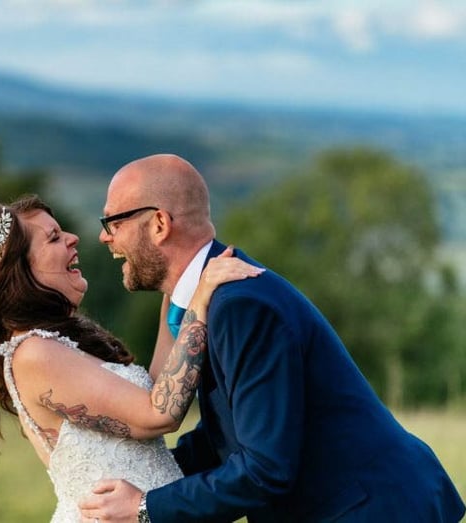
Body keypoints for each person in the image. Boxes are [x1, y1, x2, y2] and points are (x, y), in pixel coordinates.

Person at [79, 154, 465, 523]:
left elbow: (266, 468)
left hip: (370, 509)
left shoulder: (239, 305)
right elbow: (228, 432)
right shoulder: (214, 298)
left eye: (113, 221)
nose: (103, 237)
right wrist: (145, 474)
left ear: (160, 224)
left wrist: (148, 509)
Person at [0, 194, 264, 522]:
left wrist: (176, 281)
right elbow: (160, 413)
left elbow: (155, 389)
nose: (73, 239)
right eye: (54, 238)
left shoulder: (60, 342)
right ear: (21, 270)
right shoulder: (33, 353)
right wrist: (201, 300)